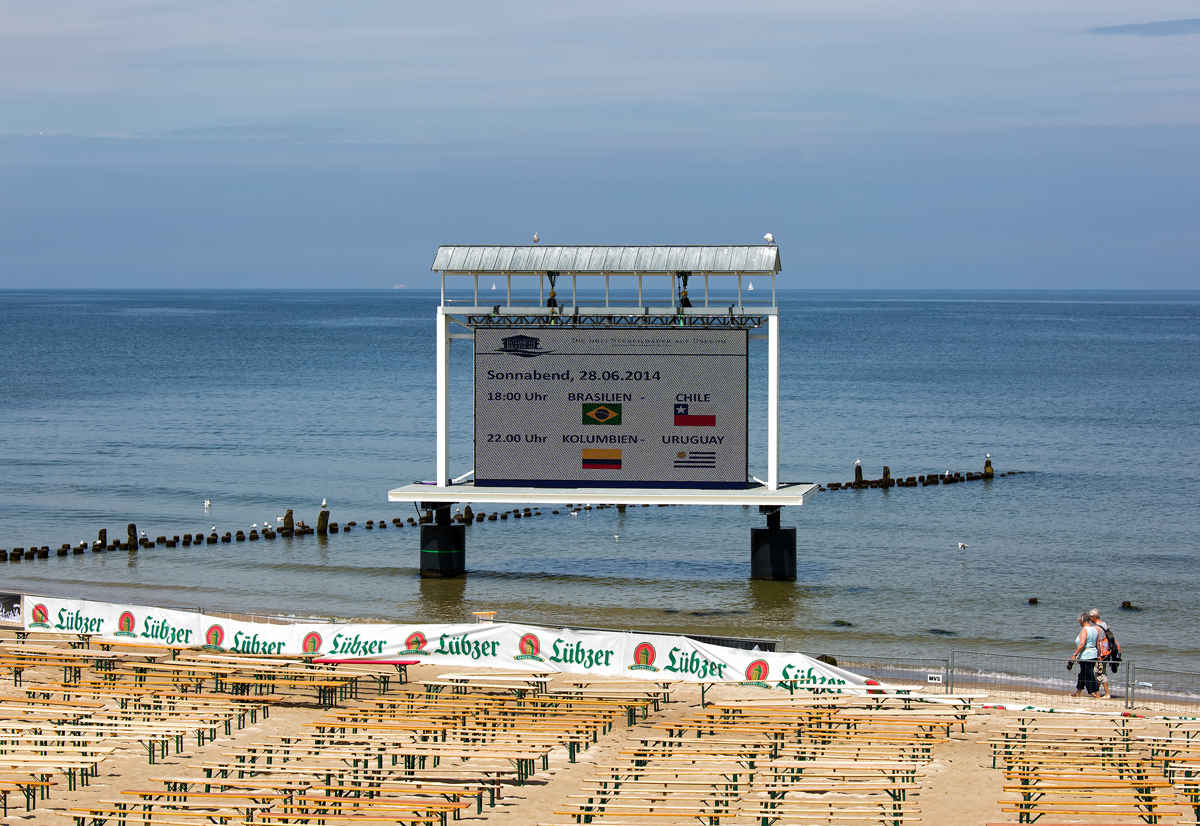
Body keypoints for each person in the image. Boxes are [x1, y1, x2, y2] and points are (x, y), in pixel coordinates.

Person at [1069, 612, 1101, 698]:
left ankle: (1096, 693)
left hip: (1087, 655)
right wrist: (1099, 654)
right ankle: (1078, 692)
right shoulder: (1095, 629)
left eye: (1079, 621)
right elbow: (1097, 643)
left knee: (1089, 674)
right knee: (1083, 674)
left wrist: (1075, 654)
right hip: (1093, 654)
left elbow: (1082, 644)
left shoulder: (1085, 630)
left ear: (1082, 621)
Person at [1089, 608, 1118, 700]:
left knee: (1100, 673)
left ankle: (1107, 694)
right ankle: (1095, 691)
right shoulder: (1106, 624)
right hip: (1107, 651)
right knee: (1098, 672)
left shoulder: (1096, 628)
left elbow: (1096, 641)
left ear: (1093, 617)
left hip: (1101, 652)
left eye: (1090, 617)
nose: (1090, 619)